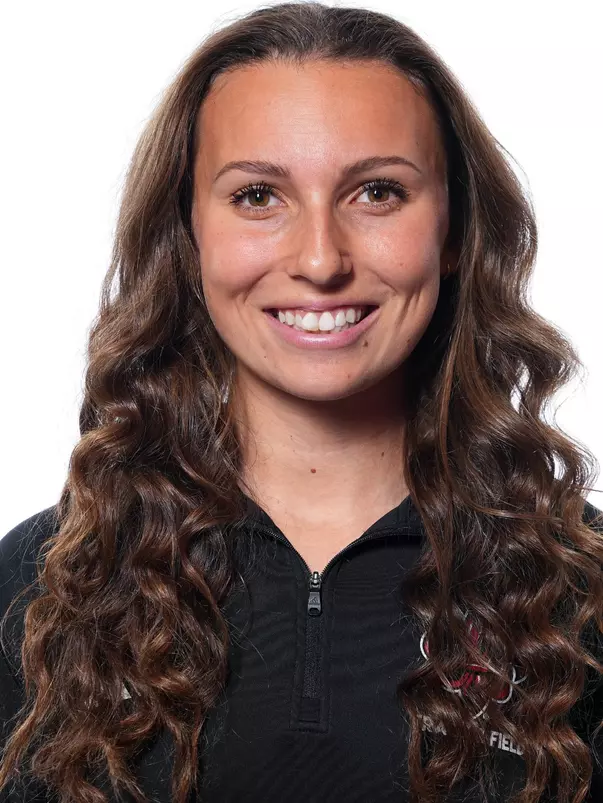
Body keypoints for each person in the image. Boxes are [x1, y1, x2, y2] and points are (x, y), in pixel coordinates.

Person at [1, 2, 602, 802]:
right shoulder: (41, 586)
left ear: (454, 230)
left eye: (378, 192)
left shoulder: (578, 589)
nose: (320, 259)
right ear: (189, 232)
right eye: (257, 196)